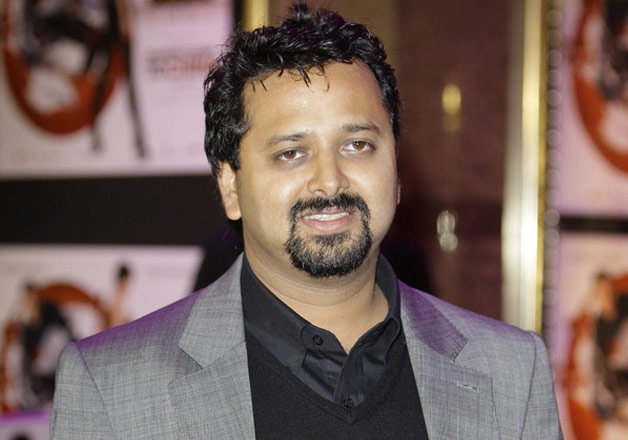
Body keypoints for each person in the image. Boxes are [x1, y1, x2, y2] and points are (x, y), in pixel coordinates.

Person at [50, 3, 562, 438]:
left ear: (396, 168)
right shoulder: (111, 387)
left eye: (357, 145)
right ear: (230, 185)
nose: (330, 181)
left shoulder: (512, 373)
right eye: (291, 153)